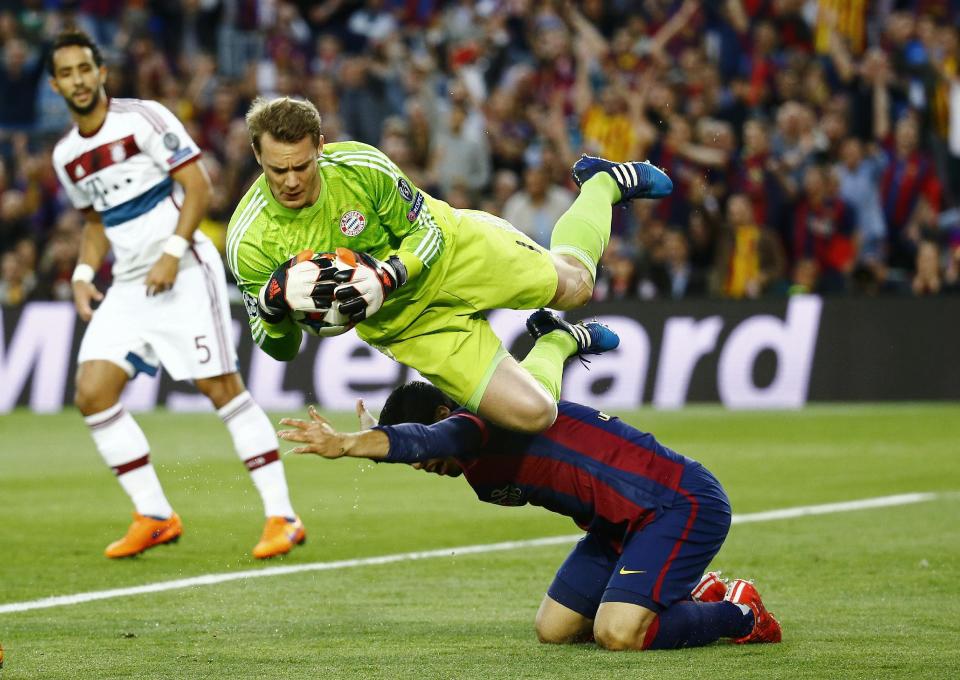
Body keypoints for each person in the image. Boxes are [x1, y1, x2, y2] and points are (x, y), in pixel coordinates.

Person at [276, 319, 782, 652]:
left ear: (443, 413)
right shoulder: (506, 421)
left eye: (428, 451)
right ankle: (692, 586)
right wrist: (562, 338)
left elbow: (427, 439)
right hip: (618, 526)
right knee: (555, 630)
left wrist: (349, 444)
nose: (423, 464)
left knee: (618, 633)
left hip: (677, 503)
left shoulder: (478, 422)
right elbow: (427, 441)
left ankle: (739, 613)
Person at [226, 96, 672, 435]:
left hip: (457, 256)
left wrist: (386, 276)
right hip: (409, 328)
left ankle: (600, 183)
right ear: (256, 154)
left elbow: (429, 233)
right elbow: (278, 347)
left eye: (301, 166)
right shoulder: (249, 240)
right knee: (535, 415)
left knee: (577, 286)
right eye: (276, 169)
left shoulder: (359, 166)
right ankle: (557, 342)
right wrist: (270, 305)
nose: (289, 181)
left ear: (320, 147)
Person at [48, 30, 305, 559]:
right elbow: (95, 223)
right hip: (128, 285)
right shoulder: (66, 155)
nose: (77, 79)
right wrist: (80, 273)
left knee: (221, 388)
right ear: (55, 84)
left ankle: (284, 516)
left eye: (84, 68)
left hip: (184, 269)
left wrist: (171, 249)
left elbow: (198, 186)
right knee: (92, 393)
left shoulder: (143, 119)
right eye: (66, 73)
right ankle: (155, 515)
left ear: (101, 73)